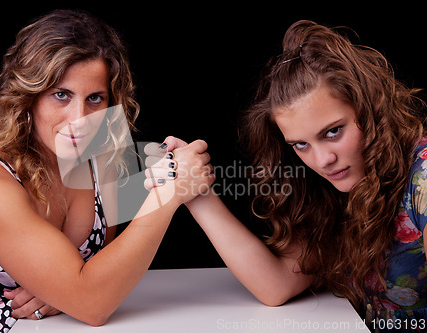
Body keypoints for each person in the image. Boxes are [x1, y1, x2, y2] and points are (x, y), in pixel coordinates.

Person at [0, 9, 214, 332]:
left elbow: (103, 274)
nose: (80, 119)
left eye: (95, 98)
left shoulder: (99, 159)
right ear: (28, 97)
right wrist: (168, 191)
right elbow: (93, 305)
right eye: (61, 95)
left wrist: (61, 291)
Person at [147, 20, 427, 331]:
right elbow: (276, 285)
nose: (323, 160)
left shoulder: (423, 178)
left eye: (333, 132)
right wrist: (196, 192)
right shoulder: (328, 189)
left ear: (369, 110)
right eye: (301, 144)